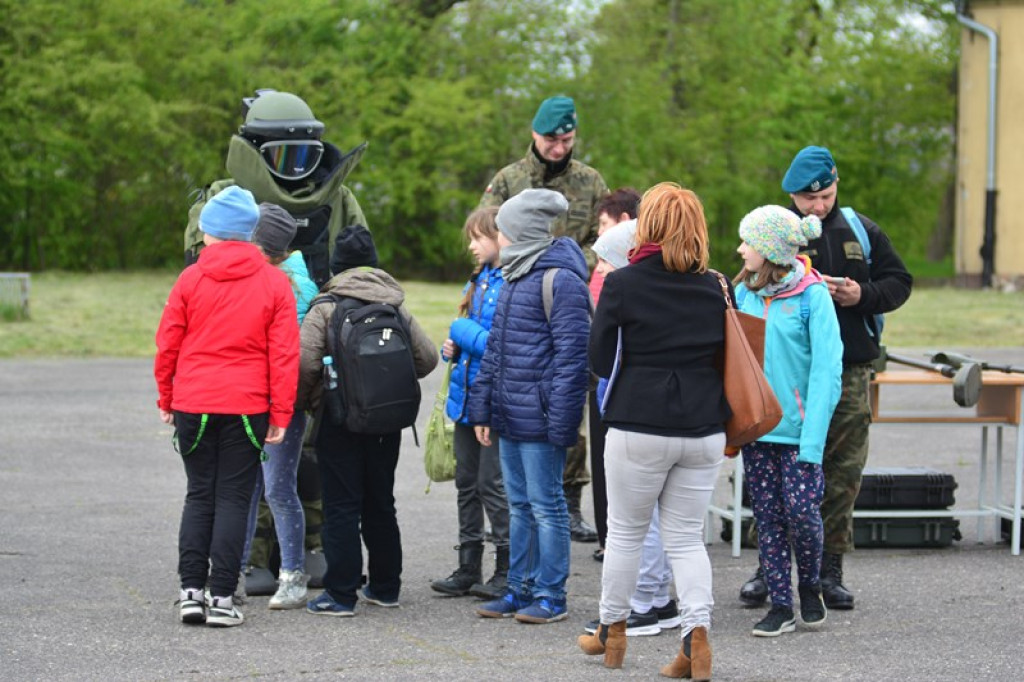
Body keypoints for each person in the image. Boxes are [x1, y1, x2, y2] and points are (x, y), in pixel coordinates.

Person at [185, 89, 368, 594]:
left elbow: (357, 267)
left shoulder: (338, 198)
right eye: (281, 156)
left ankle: (305, 551)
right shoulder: (225, 194)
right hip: (253, 360)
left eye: (304, 155)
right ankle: (251, 559)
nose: (296, 169)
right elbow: (198, 271)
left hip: (315, 352)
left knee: (306, 462)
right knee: (255, 466)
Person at [738, 147, 913, 611]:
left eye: (826, 196)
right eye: (807, 199)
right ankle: (767, 570)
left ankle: (829, 571)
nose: (817, 207)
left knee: (840, 472)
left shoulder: (860, 229)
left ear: (836, 186)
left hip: (851, 368)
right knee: (772, 475)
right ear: (792, 196)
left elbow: (900, 282)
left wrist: (863, 294)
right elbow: (749, 290)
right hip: (786, 374)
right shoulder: (775, 229)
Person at [578, 182, 728, 677]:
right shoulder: (716, 286)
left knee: (625, 534)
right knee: (685, 540)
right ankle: (696, 641)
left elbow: (599, 359)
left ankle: (611, 634)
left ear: (649, 227)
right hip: (704, 427)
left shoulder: (623, 283)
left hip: (639, 423)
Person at [155, 186, 300, 627]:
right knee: (235, 497)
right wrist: (281, 413)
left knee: (199, 495)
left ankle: (191, 593)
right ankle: (222, 598)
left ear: (208, 232)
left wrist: (166, 395)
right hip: (247, 405)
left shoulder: (190, 279)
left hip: (193, 402)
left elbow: (168, 343)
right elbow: (284, 355)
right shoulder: (276, 282)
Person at [479, 94, 609, 544]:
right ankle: (520, 505)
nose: (559, 146)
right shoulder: (508, 180)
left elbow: (604, 238)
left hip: (569, 294)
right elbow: (485, 231)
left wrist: (571, 260)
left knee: (568, 395)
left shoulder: (591, 181)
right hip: (518, 294)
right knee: (522, 396)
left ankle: (569, 504)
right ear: (535, 135)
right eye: (552, 139)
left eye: (567, 139)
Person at [298, 225, 438, 617]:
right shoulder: (394, 305)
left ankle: (341, 594)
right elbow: (427, 359)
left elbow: (303, 365)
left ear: (336, 265)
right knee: (381, 502)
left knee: (341, 505)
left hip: (339, 421)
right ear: (373, 263)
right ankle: (385, 587)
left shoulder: (326, 306)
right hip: (386, 422)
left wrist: (313, 402)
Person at [469, 188, 591, 624]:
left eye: (501, 229)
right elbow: (497, 354)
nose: (496, 237)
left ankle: (551, 595)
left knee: (547, 505)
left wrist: (560, 425)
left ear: (518, 233)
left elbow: (573, 361)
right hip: (510, 416)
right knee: (519, 505)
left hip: (539, 419)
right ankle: (519, 590)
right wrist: (482, 409)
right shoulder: (515, 277)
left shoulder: (560, 280)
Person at [733, 205, 843, 636]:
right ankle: (780, 604)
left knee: (801, 513)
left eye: (748, 243)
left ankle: (810, 584)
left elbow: (827, 372)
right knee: (768, 518)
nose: (740, 249)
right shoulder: (743, 294)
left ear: (770, 250)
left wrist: (813, 440)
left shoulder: (812, 296)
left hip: (800, 433)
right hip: (758, 431)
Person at [582, 218, 684, 638]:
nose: (600, 270)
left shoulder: (628, 298)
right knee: (655, 515)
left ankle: (641, 603)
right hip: (656, 418)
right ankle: (660, 599)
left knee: (640, 517)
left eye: (606, 261)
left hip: (638, 419)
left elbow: (605, 358)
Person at [238, 203, 320, 610]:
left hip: (281, 404)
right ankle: (234, 570)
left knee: (278, 489)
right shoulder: (278, 275)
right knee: (251, 488)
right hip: (254, 398)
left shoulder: (292, 285)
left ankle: (292, 576)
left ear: (263, 246)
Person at [431, 207, 511, 600]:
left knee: (491, 484)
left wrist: (460, 331)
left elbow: (498, 343)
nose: (471, 245)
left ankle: (506, 568)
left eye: (478, 237)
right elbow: (474, 339)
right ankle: (468, 565)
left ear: (499, 237)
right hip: (466, 399)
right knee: (466, 483)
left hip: (491, 400)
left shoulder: (509, 281)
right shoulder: (478, 280)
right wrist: (453, 347)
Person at [588, 187, 641, 562]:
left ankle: (621, 542)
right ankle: (609, 536)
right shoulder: (606, 265)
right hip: (602, 380)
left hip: (623, 388)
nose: (598, 235)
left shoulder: (626, 279)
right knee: (604, 464)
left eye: (604, 226)